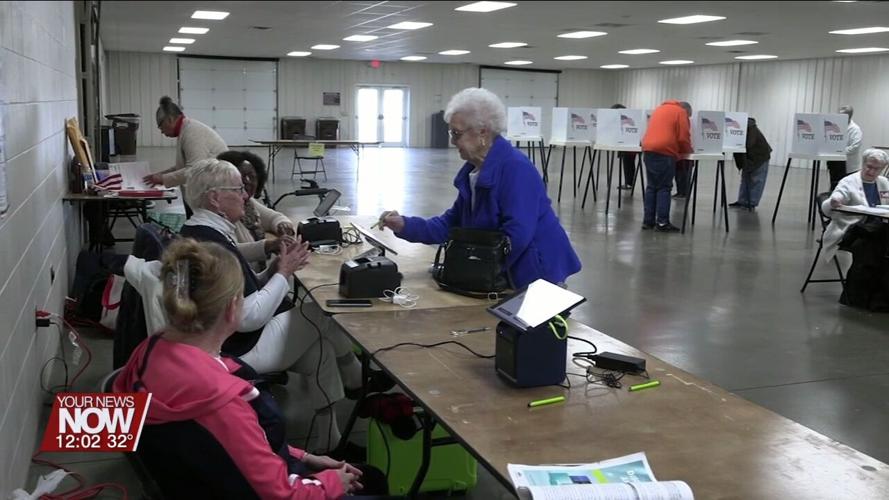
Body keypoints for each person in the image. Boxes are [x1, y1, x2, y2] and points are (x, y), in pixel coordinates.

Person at [113, 239, 372, 499]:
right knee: (374, 482)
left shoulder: (150, 349)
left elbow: (237, 443)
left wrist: (304, 456)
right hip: (262, 488)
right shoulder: (222, 401)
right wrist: (332, 482)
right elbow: (281, 494)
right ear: (232, 308)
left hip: (202, 480)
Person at [177, 159, 373, 452]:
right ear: (215, 198)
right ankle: (356, 375)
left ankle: (331, 442)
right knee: (320, 311)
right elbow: (246, 317)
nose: (245, 195)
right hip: (238, 350)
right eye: (237, 189)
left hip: (223, 343)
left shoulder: (200, 233)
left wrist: (272, 270)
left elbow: (239, 288)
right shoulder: (213, 247)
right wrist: (284, 273)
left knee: (319, 350)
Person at [377, 87, 581, 289]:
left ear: (482, 132)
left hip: (534, 275)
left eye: (456, 133)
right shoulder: (474, 172)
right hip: (501, 271)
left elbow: (517, 235)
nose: (452, 141)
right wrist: (404, 225)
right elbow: (451, 225)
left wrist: (473, 270)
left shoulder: (516, 169)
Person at [143, 96, 228, 217]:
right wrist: (161, 175)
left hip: (218, 191)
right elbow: (183, 165)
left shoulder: (192, 132)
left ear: (170, 119)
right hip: (210, 189)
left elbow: (195, 170)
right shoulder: (185, 130)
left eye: (160, 126)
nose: (161, 131)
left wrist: (163, 179)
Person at [218, 150, 295, 269]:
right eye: (241, 177)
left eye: (252, 177)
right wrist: (268, 246)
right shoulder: (220, 211)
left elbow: (273, 217)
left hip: (256, 277)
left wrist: (282, 225)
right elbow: (228, 250)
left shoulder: (249, 204)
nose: (247, 181)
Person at [820, 149, 889, 265]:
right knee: (870, 245)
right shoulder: (849, 181)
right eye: (869, 166)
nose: (871, 172)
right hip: (853, 229)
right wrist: (835, 200)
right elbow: (829, 206)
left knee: (880, 240)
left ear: (882, 169)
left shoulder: (883, 182)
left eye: (876, 169)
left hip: (878, 229)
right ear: (863, 163)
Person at [641, 100, 693, 232]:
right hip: (665, 151)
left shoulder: (659, 109)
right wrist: (687, 151)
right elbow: (683, 137)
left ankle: (648, 222)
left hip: (647, 149)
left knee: (652, 186)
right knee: (664, 187)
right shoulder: (680, 112)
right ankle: (662, 223)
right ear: (686, 111)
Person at [730, 117, 773, 209]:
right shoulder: (741, 129)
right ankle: (742, 201)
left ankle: (752, 203)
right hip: (749, 157)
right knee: (745, 179)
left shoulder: (751, 129)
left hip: (760, 157)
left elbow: (749, 144)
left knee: (757, 180)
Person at [826, 105, 863, 191]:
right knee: (834, 186)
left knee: (847, 189)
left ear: (849, 116)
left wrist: (839, 151)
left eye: (842, 115)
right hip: (835, 163)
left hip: (848, 166)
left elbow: (855, 147)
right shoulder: (835, 126)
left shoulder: (855, 129)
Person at [611, 104, 638, 190]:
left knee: (628, 164)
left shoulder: (625, 119)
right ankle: (629, 183)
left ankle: (628, 183)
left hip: (629, 146)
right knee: (629, 164)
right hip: (630, 145)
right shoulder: (627, 118)